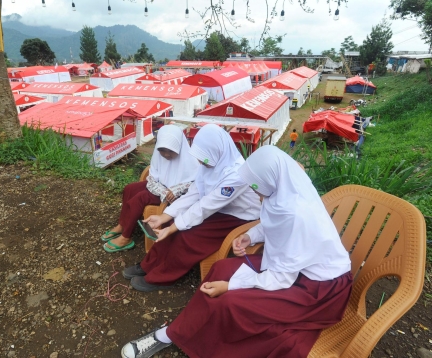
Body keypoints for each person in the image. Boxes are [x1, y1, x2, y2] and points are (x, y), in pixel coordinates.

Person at [121, 145, 353, 358]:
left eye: (255, 186)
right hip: (294, 268)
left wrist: (231, 286)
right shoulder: (285, 189)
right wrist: (250, 235)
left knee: (230, 302)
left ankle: (198, 343)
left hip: (319, 290)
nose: (254, 193)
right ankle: (174, 333)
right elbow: (275, 222)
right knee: (221, 268)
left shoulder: (297, 213)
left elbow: (281, 277)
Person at [122, 124, 262, 292]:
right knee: (170, 226)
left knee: (188, 236)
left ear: (218, 152)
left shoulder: (237, 174)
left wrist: (174, 227)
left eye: (205, 158)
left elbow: (205, 206)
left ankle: (163, 276)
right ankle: (149, 264)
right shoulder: (209, 166)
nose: (201, 162)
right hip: (219, 210)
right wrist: (165, 217)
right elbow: (195, 193)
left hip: (239, 217)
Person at [101, 125, 199, 253]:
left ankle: (126, 237)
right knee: (129, 189)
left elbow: (195, 184)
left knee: (140, 198)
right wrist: (163, 190)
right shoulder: (159, 156)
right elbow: (152, 177)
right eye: (162, 150)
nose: (166, 154)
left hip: (175, 197)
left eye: (170, 150)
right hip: (160, 188)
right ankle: (122, 224)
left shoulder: (191, 160)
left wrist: (176, 189)